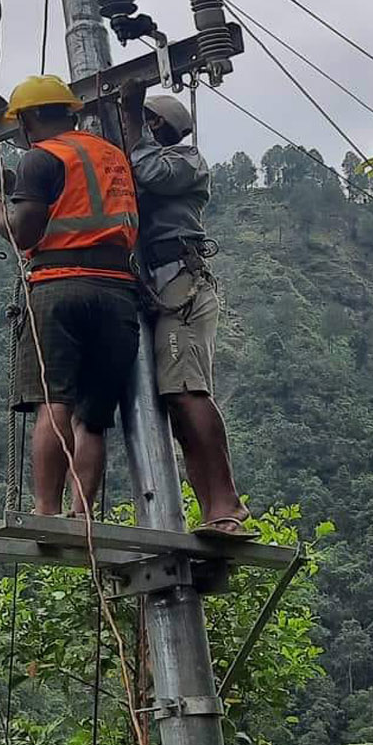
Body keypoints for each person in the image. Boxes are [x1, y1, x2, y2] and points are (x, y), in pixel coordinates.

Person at [0, 75, 139, 520]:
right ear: (70, 112)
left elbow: (23, 230)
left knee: (55, 402)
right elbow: (76, 199)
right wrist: (16, 185)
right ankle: (82, 513)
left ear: (28, 120)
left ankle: (46, 509)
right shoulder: (112, 156)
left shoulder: (41, 158)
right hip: (118, 292)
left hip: (59, 286)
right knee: (94, 417)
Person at [118, 81, 251, 537]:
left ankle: (225, 506)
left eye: (143, 121)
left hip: (181, 285)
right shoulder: (133, 160)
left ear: (157, 126)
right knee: (173, 402)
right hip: (152, 287)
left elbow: (151, 172)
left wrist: (131, 120)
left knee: (185, 392)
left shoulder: (186, 161)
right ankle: (215, 509)